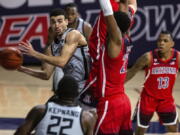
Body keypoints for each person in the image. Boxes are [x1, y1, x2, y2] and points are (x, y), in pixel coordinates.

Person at [83, 0, 135, 134]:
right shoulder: (127, 39)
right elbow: (133, 6)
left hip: (110, 103)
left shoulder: (116, 42)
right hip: (124, 101)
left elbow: (107, 11)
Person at [18, 8, 90, 92]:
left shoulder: (73, 34)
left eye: (60, 21)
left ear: (66, 22)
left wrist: (34, 53)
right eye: (53, 22)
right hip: (72, 87)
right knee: (50, 104)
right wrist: (22, 69)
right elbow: (46, 75)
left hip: (86, 85)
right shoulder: (51, 48)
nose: (56, 25)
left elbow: (62, 62)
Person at [125, 31, 180, 135]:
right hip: (148, 99)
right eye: (159, 40)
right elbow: (132, 72)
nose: (161, 43)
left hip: (166, 100)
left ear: (172, 44)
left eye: (165, 41)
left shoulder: (177, 57)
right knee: (140, 132)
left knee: (174, 131)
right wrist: (117, 86)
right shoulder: (148, 57)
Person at [14, 75, 96, 135]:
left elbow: (20, 133)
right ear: (77, 95)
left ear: (56, 92)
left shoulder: (40, 110)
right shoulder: (86, 118)